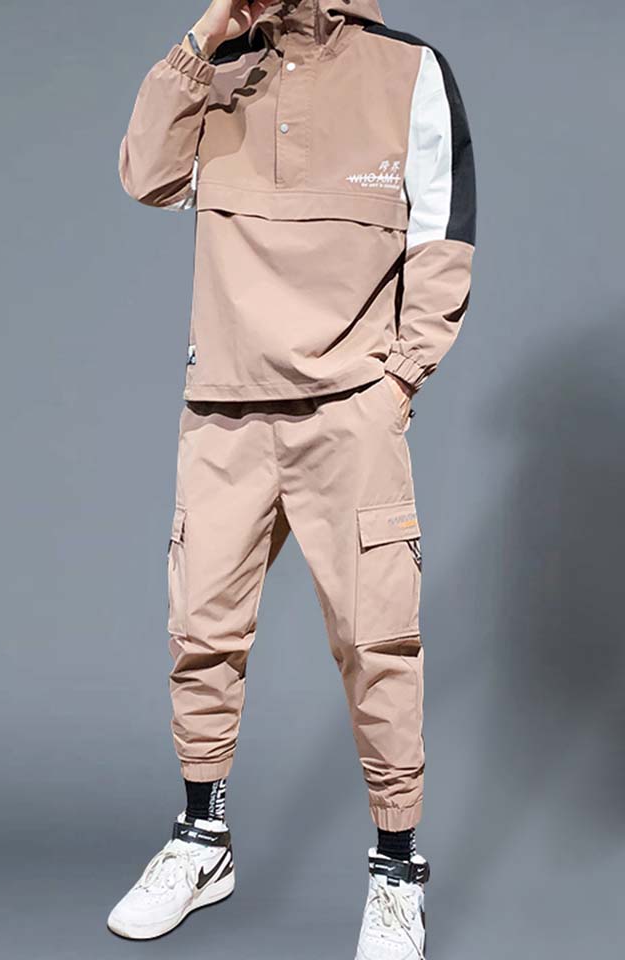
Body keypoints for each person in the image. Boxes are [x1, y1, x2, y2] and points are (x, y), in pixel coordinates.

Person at [107, 2, 476, 956]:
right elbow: (146, 175)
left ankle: (397, 872)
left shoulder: (408, 70)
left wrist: (399, 381)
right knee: (201, 634)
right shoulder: (219, 66)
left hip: (349, 409)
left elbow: (442, 233)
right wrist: (204, 37)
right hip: (223, 408)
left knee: (376, 641)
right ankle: (202, 841)